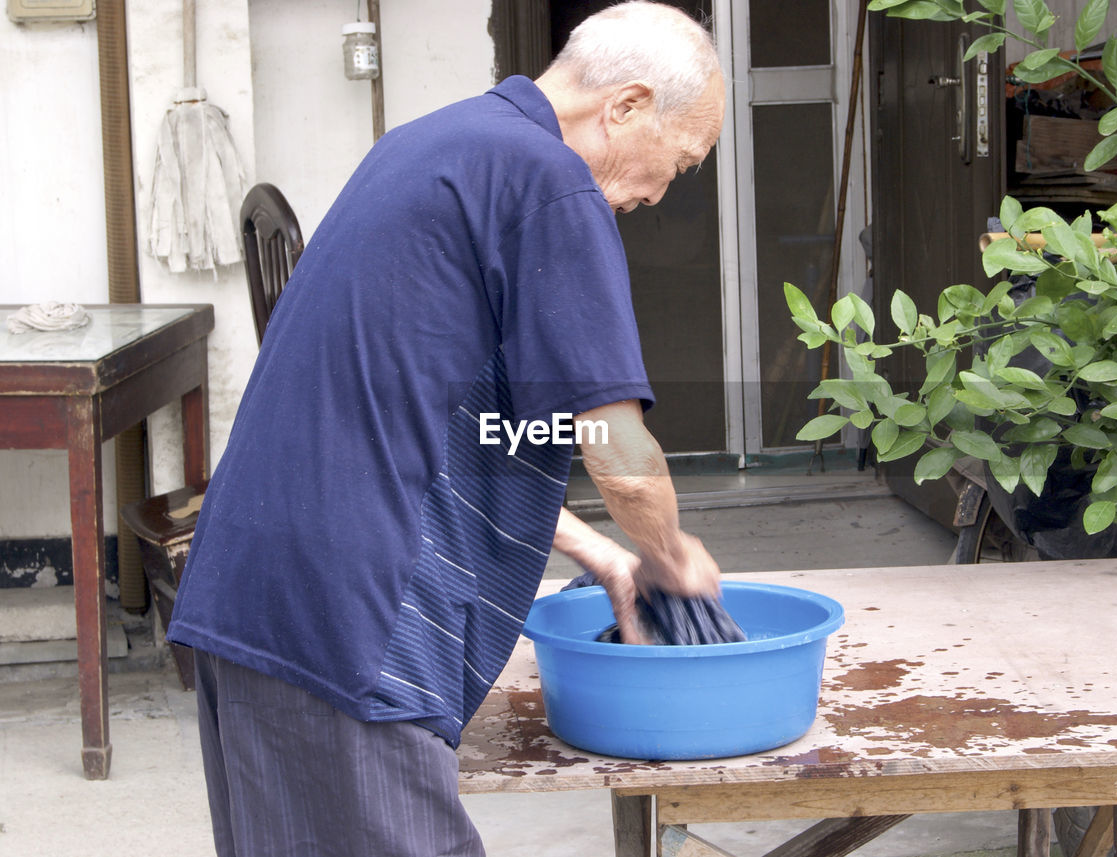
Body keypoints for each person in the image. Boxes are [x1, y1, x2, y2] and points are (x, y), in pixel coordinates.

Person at [166, 2, 726, 854]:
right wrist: (669, 556)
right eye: (678, 163)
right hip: (348, 622)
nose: (657, 193)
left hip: (251, 600)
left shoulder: (433, 145)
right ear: (626, 106)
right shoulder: (551, 180)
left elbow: (461, 425)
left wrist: (603, 553)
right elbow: (615, 447)